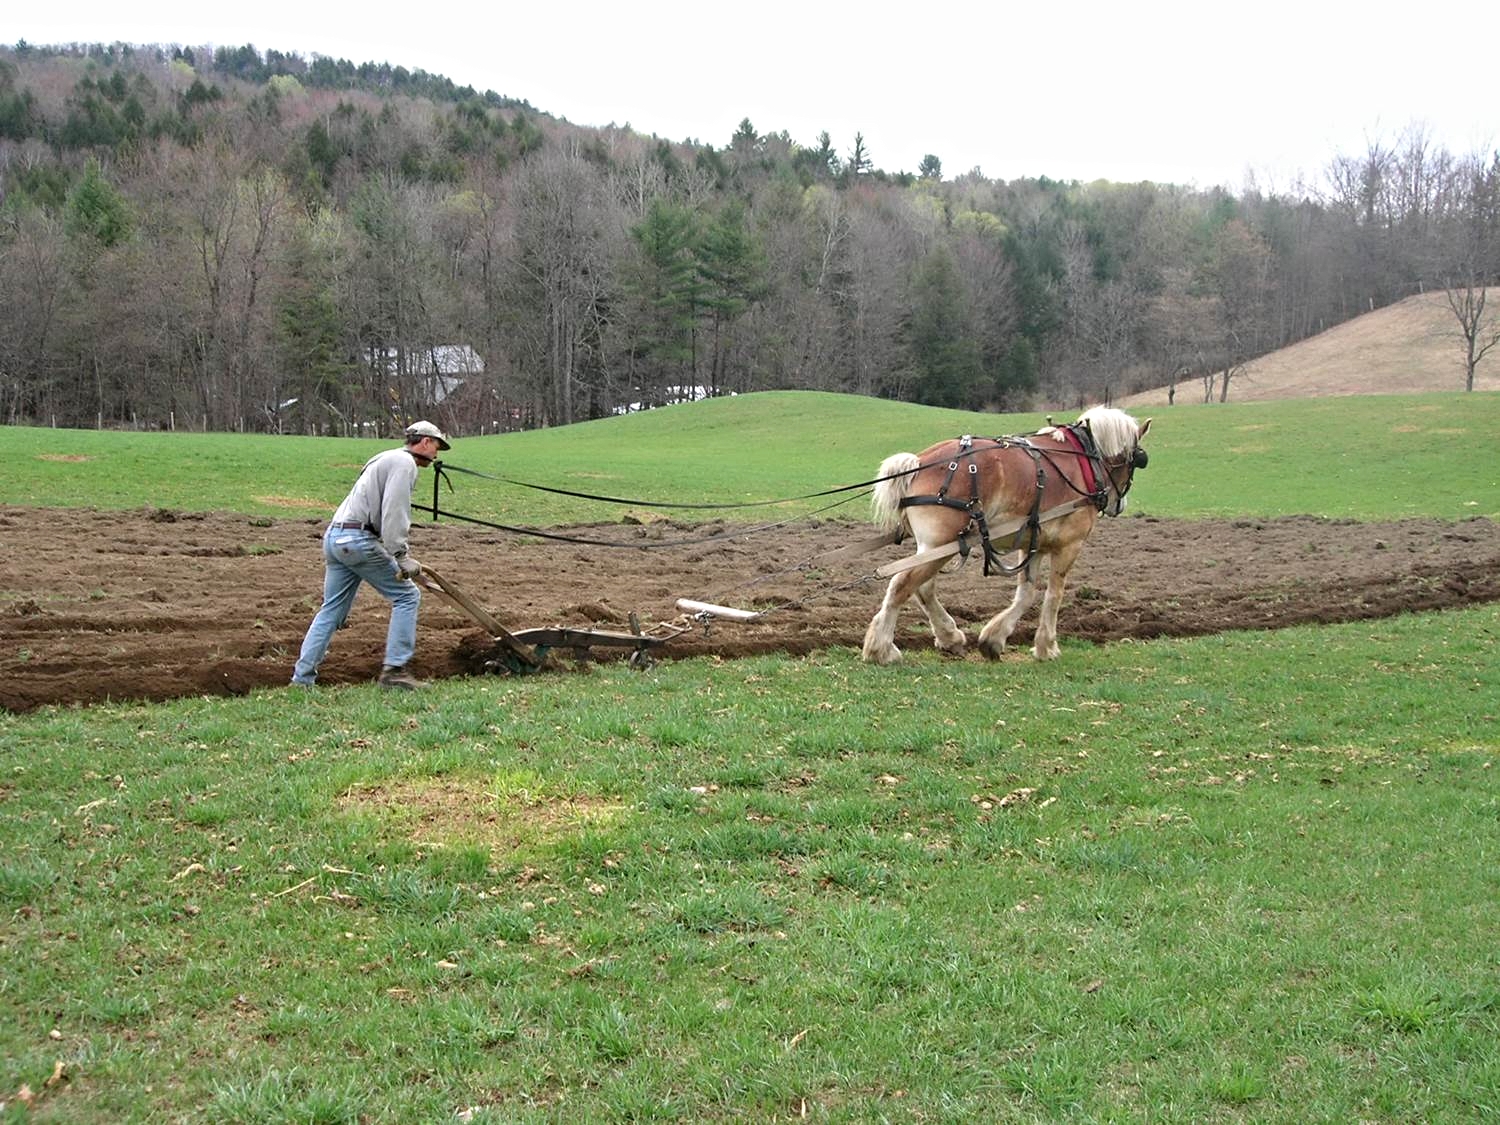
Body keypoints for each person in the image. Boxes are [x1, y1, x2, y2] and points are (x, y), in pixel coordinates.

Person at [291, 420, 452, 690]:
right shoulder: (404, 464)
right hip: (358, 540)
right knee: (407, 596)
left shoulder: (384, 458)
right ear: (425, 442)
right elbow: (394, 511)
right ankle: (395, 672)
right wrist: (401, 555)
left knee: (331, 610)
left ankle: (302, 680)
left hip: (335, 538)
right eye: (436, 446)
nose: (436, 454)